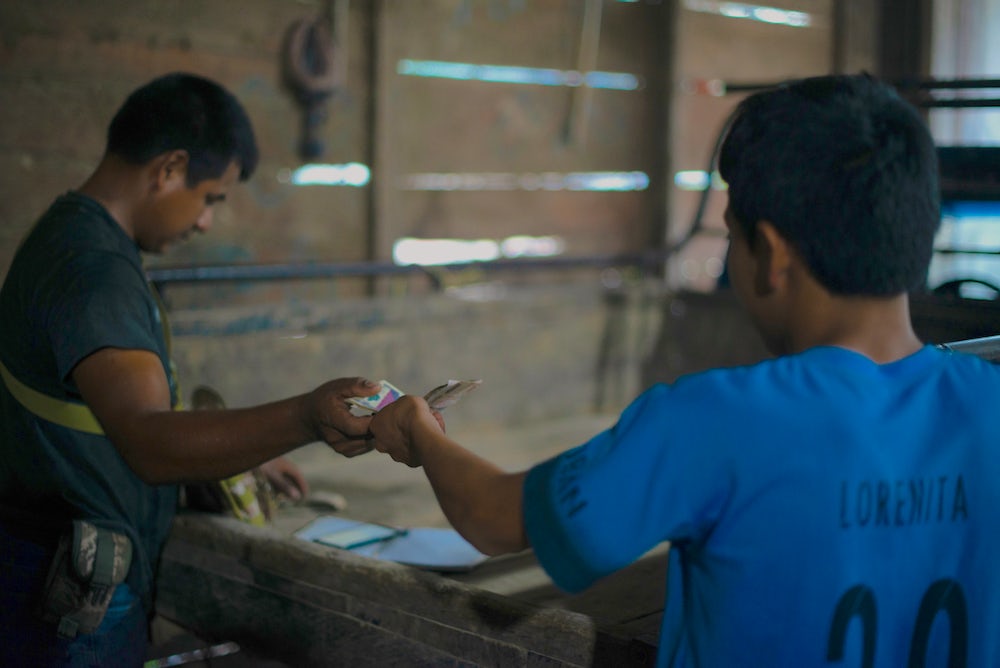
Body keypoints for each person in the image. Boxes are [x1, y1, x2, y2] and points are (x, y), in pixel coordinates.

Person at [367, 73, 1000, 667]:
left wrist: (419, 430)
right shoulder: (987, 403)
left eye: (731, 236)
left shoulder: (715, 419)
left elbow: (496, 517)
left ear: (771, 254)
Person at [0, 72, 378, 666]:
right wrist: (307, 415)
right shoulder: (95, 270)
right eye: (211, 197)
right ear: (170, 168)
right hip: (65, 602)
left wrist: (237, 453)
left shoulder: (69, 236)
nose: (205, 222)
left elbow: (105, 413)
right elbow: (149, 442)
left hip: (45, 567)